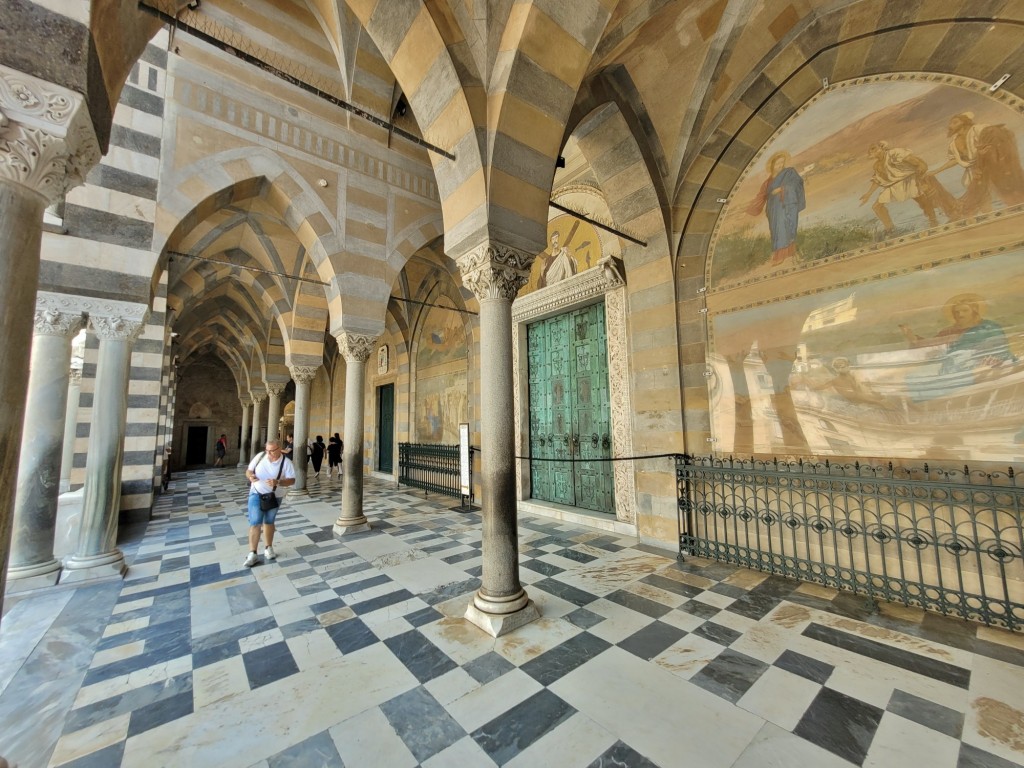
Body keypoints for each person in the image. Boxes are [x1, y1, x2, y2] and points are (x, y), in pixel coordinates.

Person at [932, 112, 1024, 217]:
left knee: (1004, 191)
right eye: (950, 123)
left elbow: (995, 135)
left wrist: (986, 151)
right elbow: (954, 160)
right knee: (981, 200)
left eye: (954, 122)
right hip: (972, 173)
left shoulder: (978, 129)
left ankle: (1016, 211)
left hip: (989, 167)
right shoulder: (953, 144)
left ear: (964, 122)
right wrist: (936, 171)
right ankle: (990, 217)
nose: (950, 126)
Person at [859, 141, 941, 234]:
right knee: (876, 207)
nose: (871, 151)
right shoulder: (877, 165)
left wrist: (921, 174)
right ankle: (890, 229)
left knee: (922, 201)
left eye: (874, 148)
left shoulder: (894, 153)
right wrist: (868, 194)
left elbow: (915, 161)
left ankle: (933, 221)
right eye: (870, 150)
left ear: (882, 147)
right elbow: (877, 180)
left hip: (908, 179)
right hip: (894, 185)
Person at [746, 151, 805, 266]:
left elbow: (797, 182)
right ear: (772, 165)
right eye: (778, 163)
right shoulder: (767, 183)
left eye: (782, 162)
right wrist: (747, 211)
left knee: (785, 227)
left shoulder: (789, 173)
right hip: (773, 210)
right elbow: (760, 197)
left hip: (786, 206)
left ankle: (788, 254)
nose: (780, 165)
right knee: (776, 231)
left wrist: (782, 189)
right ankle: (779, 255)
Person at [243, 440, 295, 567]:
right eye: (267, 450)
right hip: (256, 493)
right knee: (255, 522)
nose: (269, 453)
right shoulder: (260, 456)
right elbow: (249, 470)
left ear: (279, 449)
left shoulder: (286, 462)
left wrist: (278, 482)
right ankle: (253, 553)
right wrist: (250, 477)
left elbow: (292, 480)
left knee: (269, 521)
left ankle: (268, 547)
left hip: (274, 496)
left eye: (272, 450)